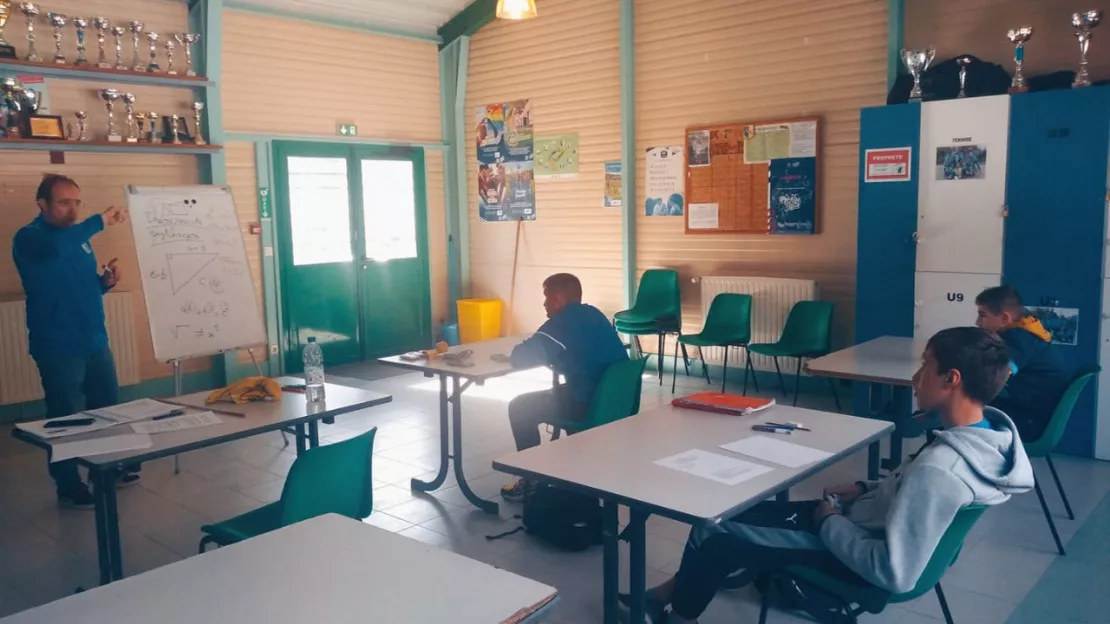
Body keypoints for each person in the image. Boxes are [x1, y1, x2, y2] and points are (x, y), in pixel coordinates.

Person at [624, 327, 1033, 623]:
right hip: (857, 522)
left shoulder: (942, 469)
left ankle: (675, 614)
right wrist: (863, 488)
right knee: (736, 517)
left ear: (952, 379)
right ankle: (666, 595)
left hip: (847, 550)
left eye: (925, 366)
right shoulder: (986, 439)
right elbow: (906, 491)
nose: (915, 378)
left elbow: (894, 572)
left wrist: (831, 521)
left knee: (711, 527)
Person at [13, 174, 135, 509]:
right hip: (58, 346)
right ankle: (68, 484)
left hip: (94, 340)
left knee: (108, 410)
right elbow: (54, 251)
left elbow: (81, 285)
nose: (72, 210)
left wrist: (105, 282)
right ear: (42, 204)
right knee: (66, 419)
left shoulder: (79, 239)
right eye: (64, 202)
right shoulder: (30, 238)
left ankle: (104, 470)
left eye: (77, 203)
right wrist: (100, 221)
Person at [499, 273, 627, 501]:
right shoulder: (594, 314)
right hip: (614, 401)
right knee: (558, 394)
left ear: (558, 299)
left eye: (547, 298)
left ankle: (531, 477)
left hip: (588, 403)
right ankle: (572, 468)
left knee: (519, 407)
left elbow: (523, 357)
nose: (544, 304)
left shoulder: (563, 322)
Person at [975, 285, 1070, 442]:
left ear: (1005, 318)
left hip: (1029, 420)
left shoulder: (1017, 338)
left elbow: (999, 374)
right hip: (1034, 413)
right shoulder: (1027, 331)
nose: (978, 322)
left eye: (982, 315)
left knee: (958, 412)